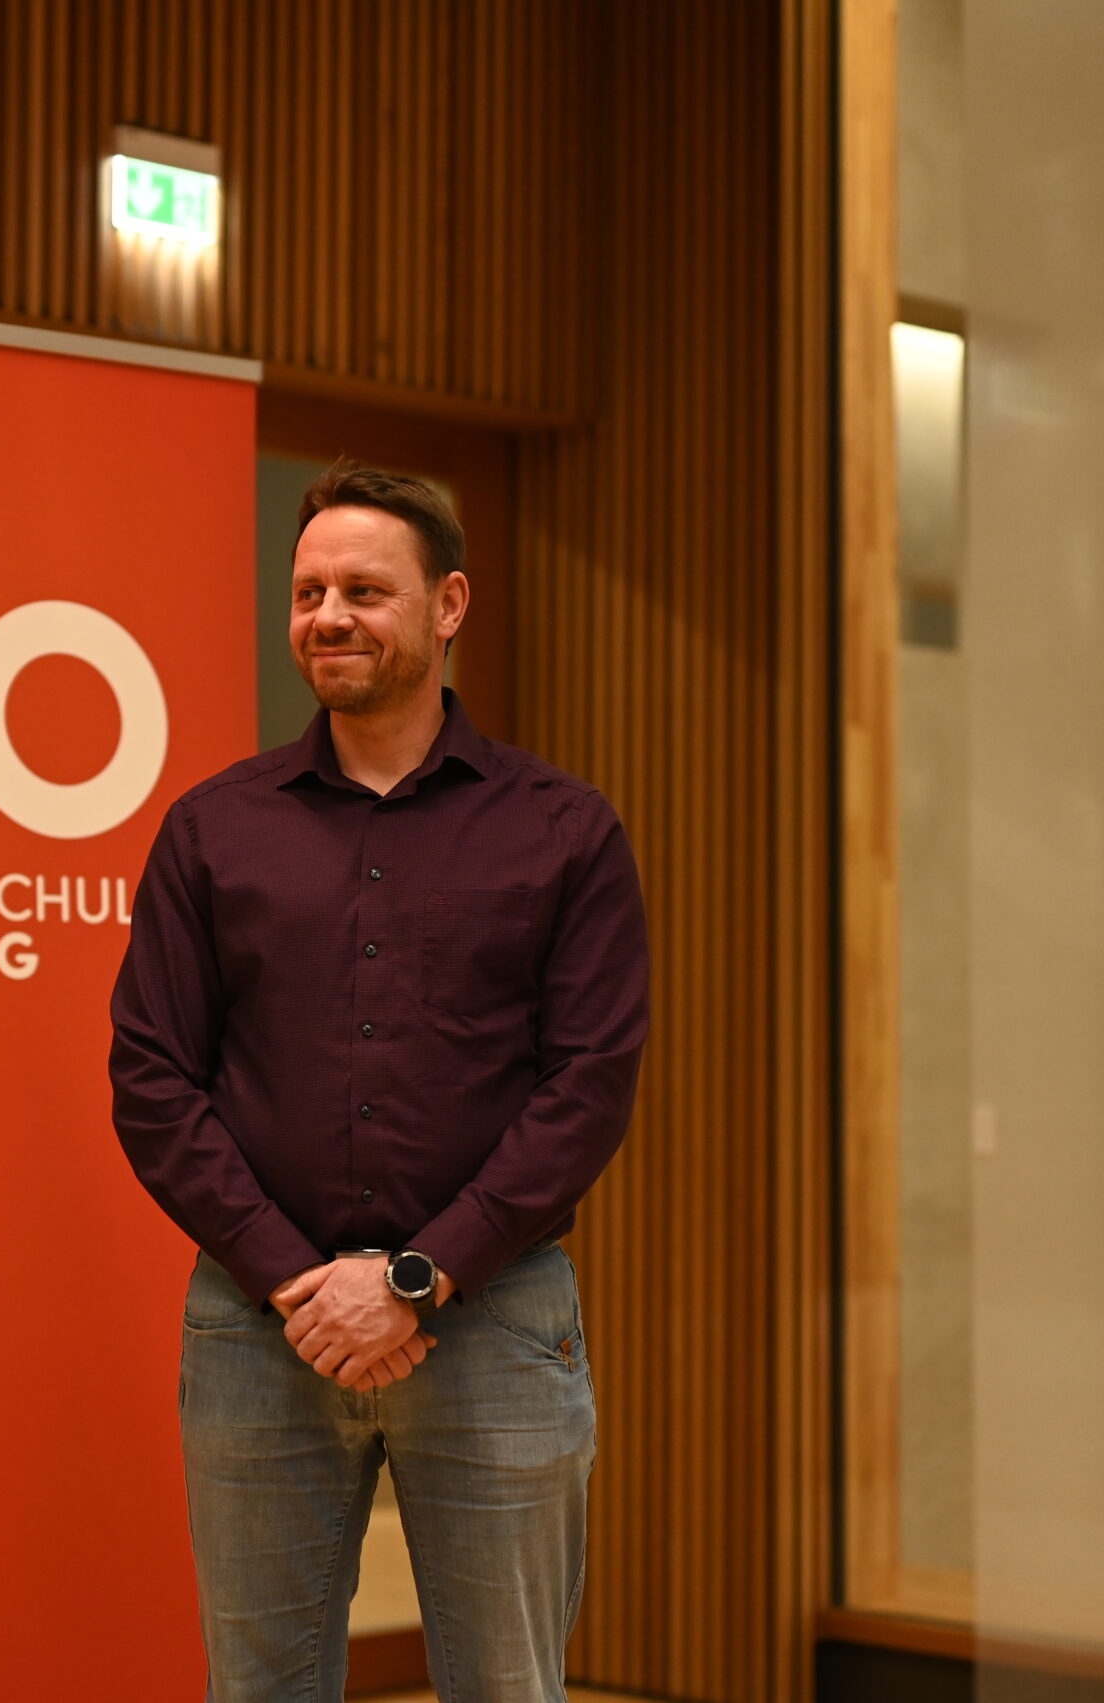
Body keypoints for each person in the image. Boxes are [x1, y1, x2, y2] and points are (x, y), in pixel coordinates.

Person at [109, 462, 651, 1703]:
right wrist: (296, 1277)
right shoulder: (213, 828)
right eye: (307, 592)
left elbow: (588, 1082)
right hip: (260, 1327)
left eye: (364, 587)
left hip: (497, 1319)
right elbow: (150, 1072)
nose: (328, 616)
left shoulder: (564, 831)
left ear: (448, 604)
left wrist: (418, 1275)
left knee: (509, 1688)